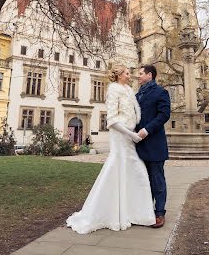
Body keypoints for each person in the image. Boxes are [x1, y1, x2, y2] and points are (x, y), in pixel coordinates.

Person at [66, 64, 154, 234]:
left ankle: (131, 213)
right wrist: (131, 134)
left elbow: (133, 114)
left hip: (129, 136)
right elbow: (112, 120)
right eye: (127, 73)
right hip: (121, 137)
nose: (130, 76)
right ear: (120, 74)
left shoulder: (128, 90)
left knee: (132, 173)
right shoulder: (113, 90)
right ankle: (111, 213)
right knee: (124, 171)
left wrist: (134, 132)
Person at [135, 64, 171, 229]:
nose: (138, 76)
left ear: (150, 75)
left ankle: (159, 213)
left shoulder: (161, 92)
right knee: (143, 180)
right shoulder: (137, 95)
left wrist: (147, 130)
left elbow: (164, 115)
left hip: (155, 144)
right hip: (139, 145)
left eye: (141, 73)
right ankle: (145, 210)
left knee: (157, 180)